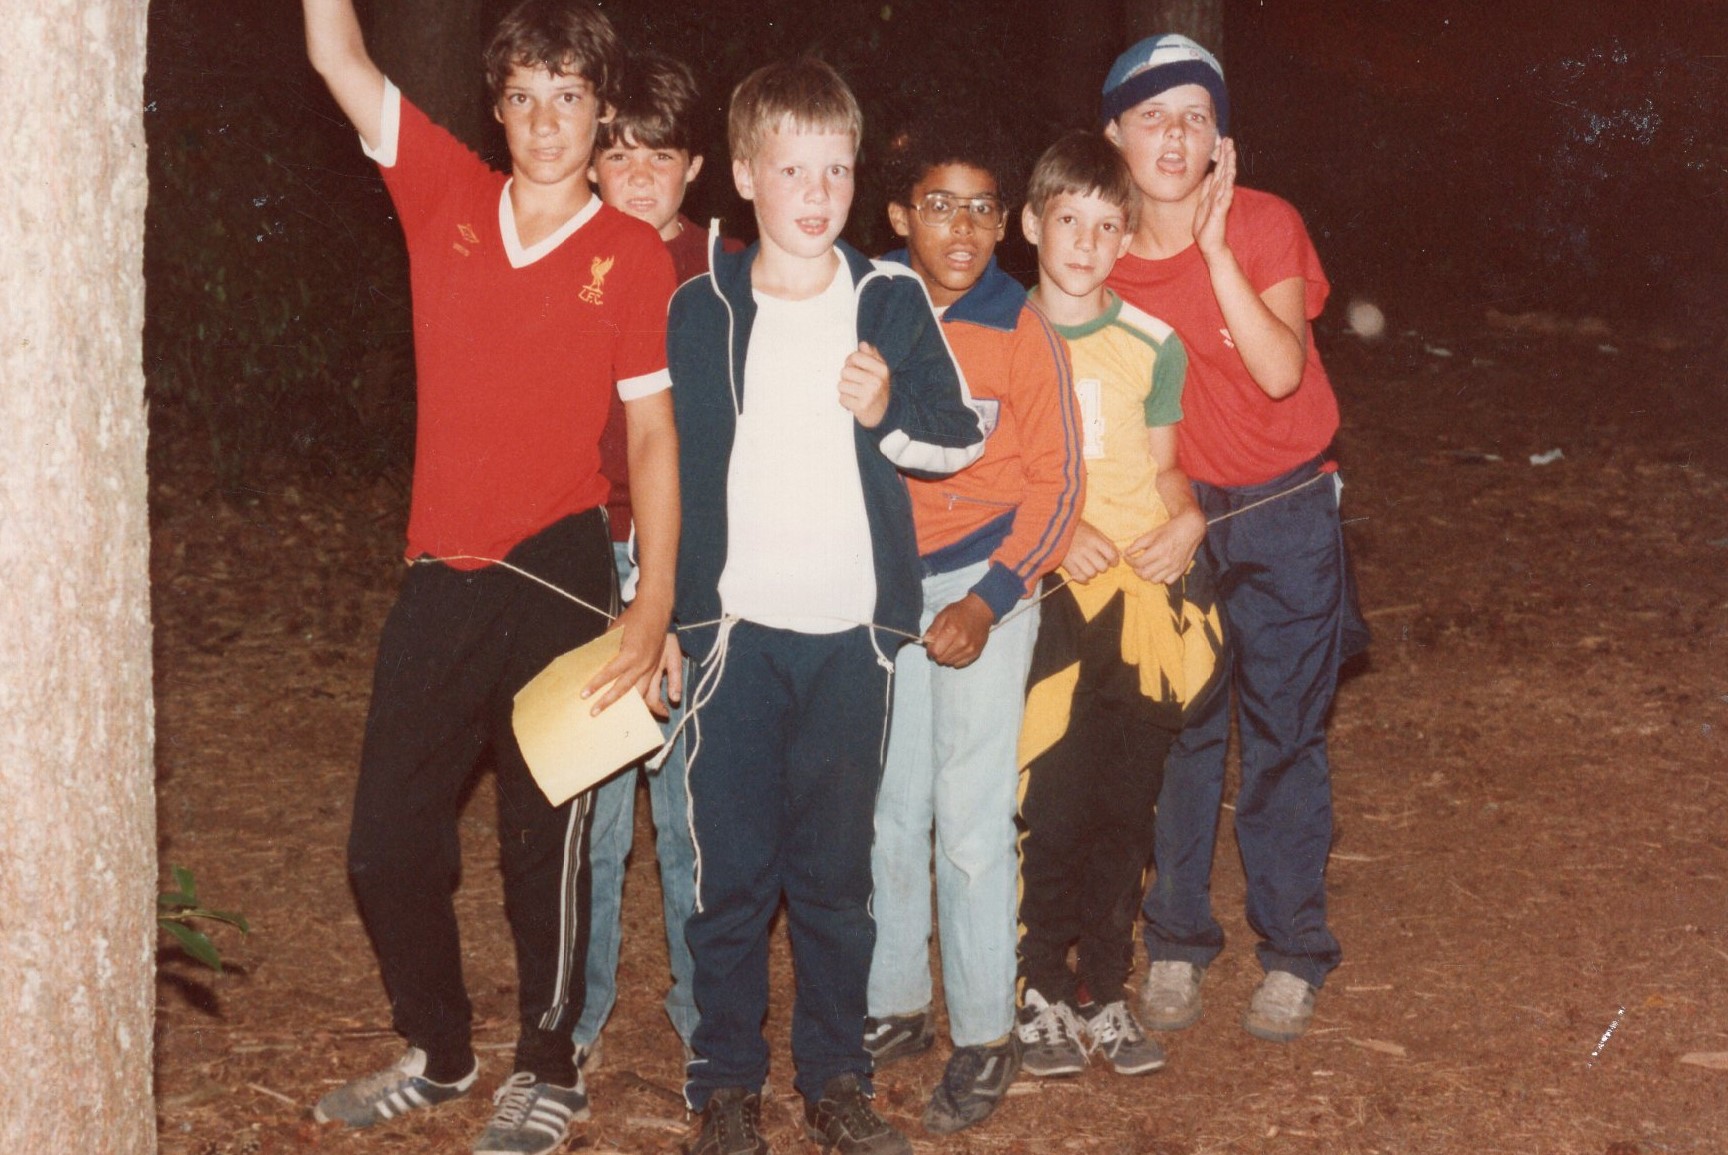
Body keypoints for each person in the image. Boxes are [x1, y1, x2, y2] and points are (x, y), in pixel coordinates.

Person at [300, 3, 680, 1152]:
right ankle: (441, 1049)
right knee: (385, 841)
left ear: (601, 112)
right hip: (443, 569)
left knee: (542, 839)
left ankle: (549, 1071)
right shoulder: (446, 195)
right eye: (523, 97)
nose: (546, 121)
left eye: (569, 97)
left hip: (560, 569)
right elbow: (336, 54)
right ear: (496, 107)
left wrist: (652, 602)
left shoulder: (631, 255)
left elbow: (653, 436)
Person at [667, 56, 985, 1155]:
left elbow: (957, 435)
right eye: (792, 169)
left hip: (851, 637)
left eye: (836, 170)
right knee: (730, 876)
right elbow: (673, 468)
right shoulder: (702, 307)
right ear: (745, 174)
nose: (816, 193)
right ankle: (724, 1085)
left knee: (836, 879)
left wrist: (888, 408)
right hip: (735, 638)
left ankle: (837, 1080)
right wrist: (669, 616)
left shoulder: (887, 297)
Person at [1099, 34, 1368, 1044]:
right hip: (1173, 512)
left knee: (1286, 733)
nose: (1175, 137)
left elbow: (1281, 373)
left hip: (1284, 507)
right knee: (1180, 730)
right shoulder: (1099, 250)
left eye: (1196, 118)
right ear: (1115, 134)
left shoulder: (1264, 222)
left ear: (1222, 138)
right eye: (1153, 117)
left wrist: (1214, 254)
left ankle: (1293, 950)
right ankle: (1175, 940)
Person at [863, 109, 1082, 1134]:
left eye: (980, 209)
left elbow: (1058, 484)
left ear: (1004, 224)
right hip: (886, 588)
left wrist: (990, 599)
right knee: (891, 802)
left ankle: (987, 1031)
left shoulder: (1020, 328)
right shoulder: (873, 304)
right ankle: (897, 1000)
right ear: (899, 215)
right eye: (938, 206)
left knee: (970, 813)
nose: (960, 227)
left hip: (985, 584)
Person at [1012, 131, 1222, 1081]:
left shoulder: (1151, 342)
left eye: (1107, 227)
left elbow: (1168, 466)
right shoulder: (1000, 333)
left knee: (1126, 805)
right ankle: (1037, 988)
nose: (1088, 244)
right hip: (1052, 601)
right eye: (1070, 221)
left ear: (1127, 238)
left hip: (1143, 599)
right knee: (1052, 802)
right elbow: (986, 476)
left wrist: (1191, 520)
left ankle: (1104, 985)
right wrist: (1055, 534)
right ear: (1032, 225)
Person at [574, 46, 742, 1074]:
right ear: (591, 162)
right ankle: (575, 1017)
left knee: (690, 811)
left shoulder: (726, 274)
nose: (638, 176)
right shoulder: (565, 254)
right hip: (584, 553)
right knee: (590, 808)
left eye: (659, 156)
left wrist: (681, 594)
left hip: (694, 561)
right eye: (618, 154)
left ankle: (705, 1019)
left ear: (696, 167)